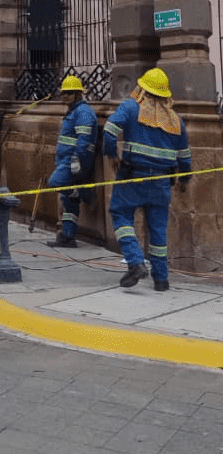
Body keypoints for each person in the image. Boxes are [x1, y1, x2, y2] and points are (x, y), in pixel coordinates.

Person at [103, 67, 191, 291]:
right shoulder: (176, 120)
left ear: (143, 89)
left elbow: (110, 129)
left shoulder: (132, 107)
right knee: (158, 230)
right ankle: (161, 280)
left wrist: (112, 154)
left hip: (133, 177)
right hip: (162, 183)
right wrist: (184, 180)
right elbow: (184, 155)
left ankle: (135, 263)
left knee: (121, 214)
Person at [46, 75, 97, 248]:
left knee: (55, 183)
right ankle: (68, 236)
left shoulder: (83, 112)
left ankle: (83, 192)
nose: (64, 97)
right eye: (63, 93)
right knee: (69, 202)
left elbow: (83, 141)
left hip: (73, 161)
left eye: (69, 93)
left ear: (77, 94)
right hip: (65, 159)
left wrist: (76, 162)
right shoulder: (74, 111)